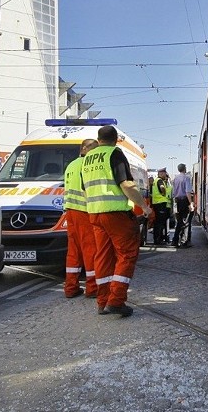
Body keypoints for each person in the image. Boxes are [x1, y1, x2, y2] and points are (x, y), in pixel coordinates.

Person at [81, 125, 152, 317]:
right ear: (115, 140)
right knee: (127, 254)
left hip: (95, 214)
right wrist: (144, 207)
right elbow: (126, 185)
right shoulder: (115, 153)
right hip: (115, 214)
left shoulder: (87, 159)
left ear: (99, 138)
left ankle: (102, 302)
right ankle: (116, 301)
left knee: (103, 257)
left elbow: (84, 188)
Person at [63, 138, 99, 299]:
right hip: (84, 211)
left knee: (73, 251)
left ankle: (71, 287)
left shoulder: (71, 165)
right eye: (93, 149)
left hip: (70, 211)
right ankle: (92, 288)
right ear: (84, 149)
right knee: (90, 249)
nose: (95, 153)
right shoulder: (87, 165)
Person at [171, 163, 193, 247]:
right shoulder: (186, 178)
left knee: (179, 221)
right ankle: (184, 241)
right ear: (184, 169)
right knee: (186, 222)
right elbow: (188, 192)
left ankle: (175, 241)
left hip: (176, 201)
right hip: (184, 201)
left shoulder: (175, 179)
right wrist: (190, 203)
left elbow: (173, 192)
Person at [151, 167, 170, 245]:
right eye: (164, 173)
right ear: (161, 173)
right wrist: (163, 193)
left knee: (158, 223)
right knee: (160, 223)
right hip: (160, 204)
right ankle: (158, 240)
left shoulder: (156, 181)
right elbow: (162, 188)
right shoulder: (159, 181)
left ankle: (157, 239)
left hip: (157, 204)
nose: (165, 175)